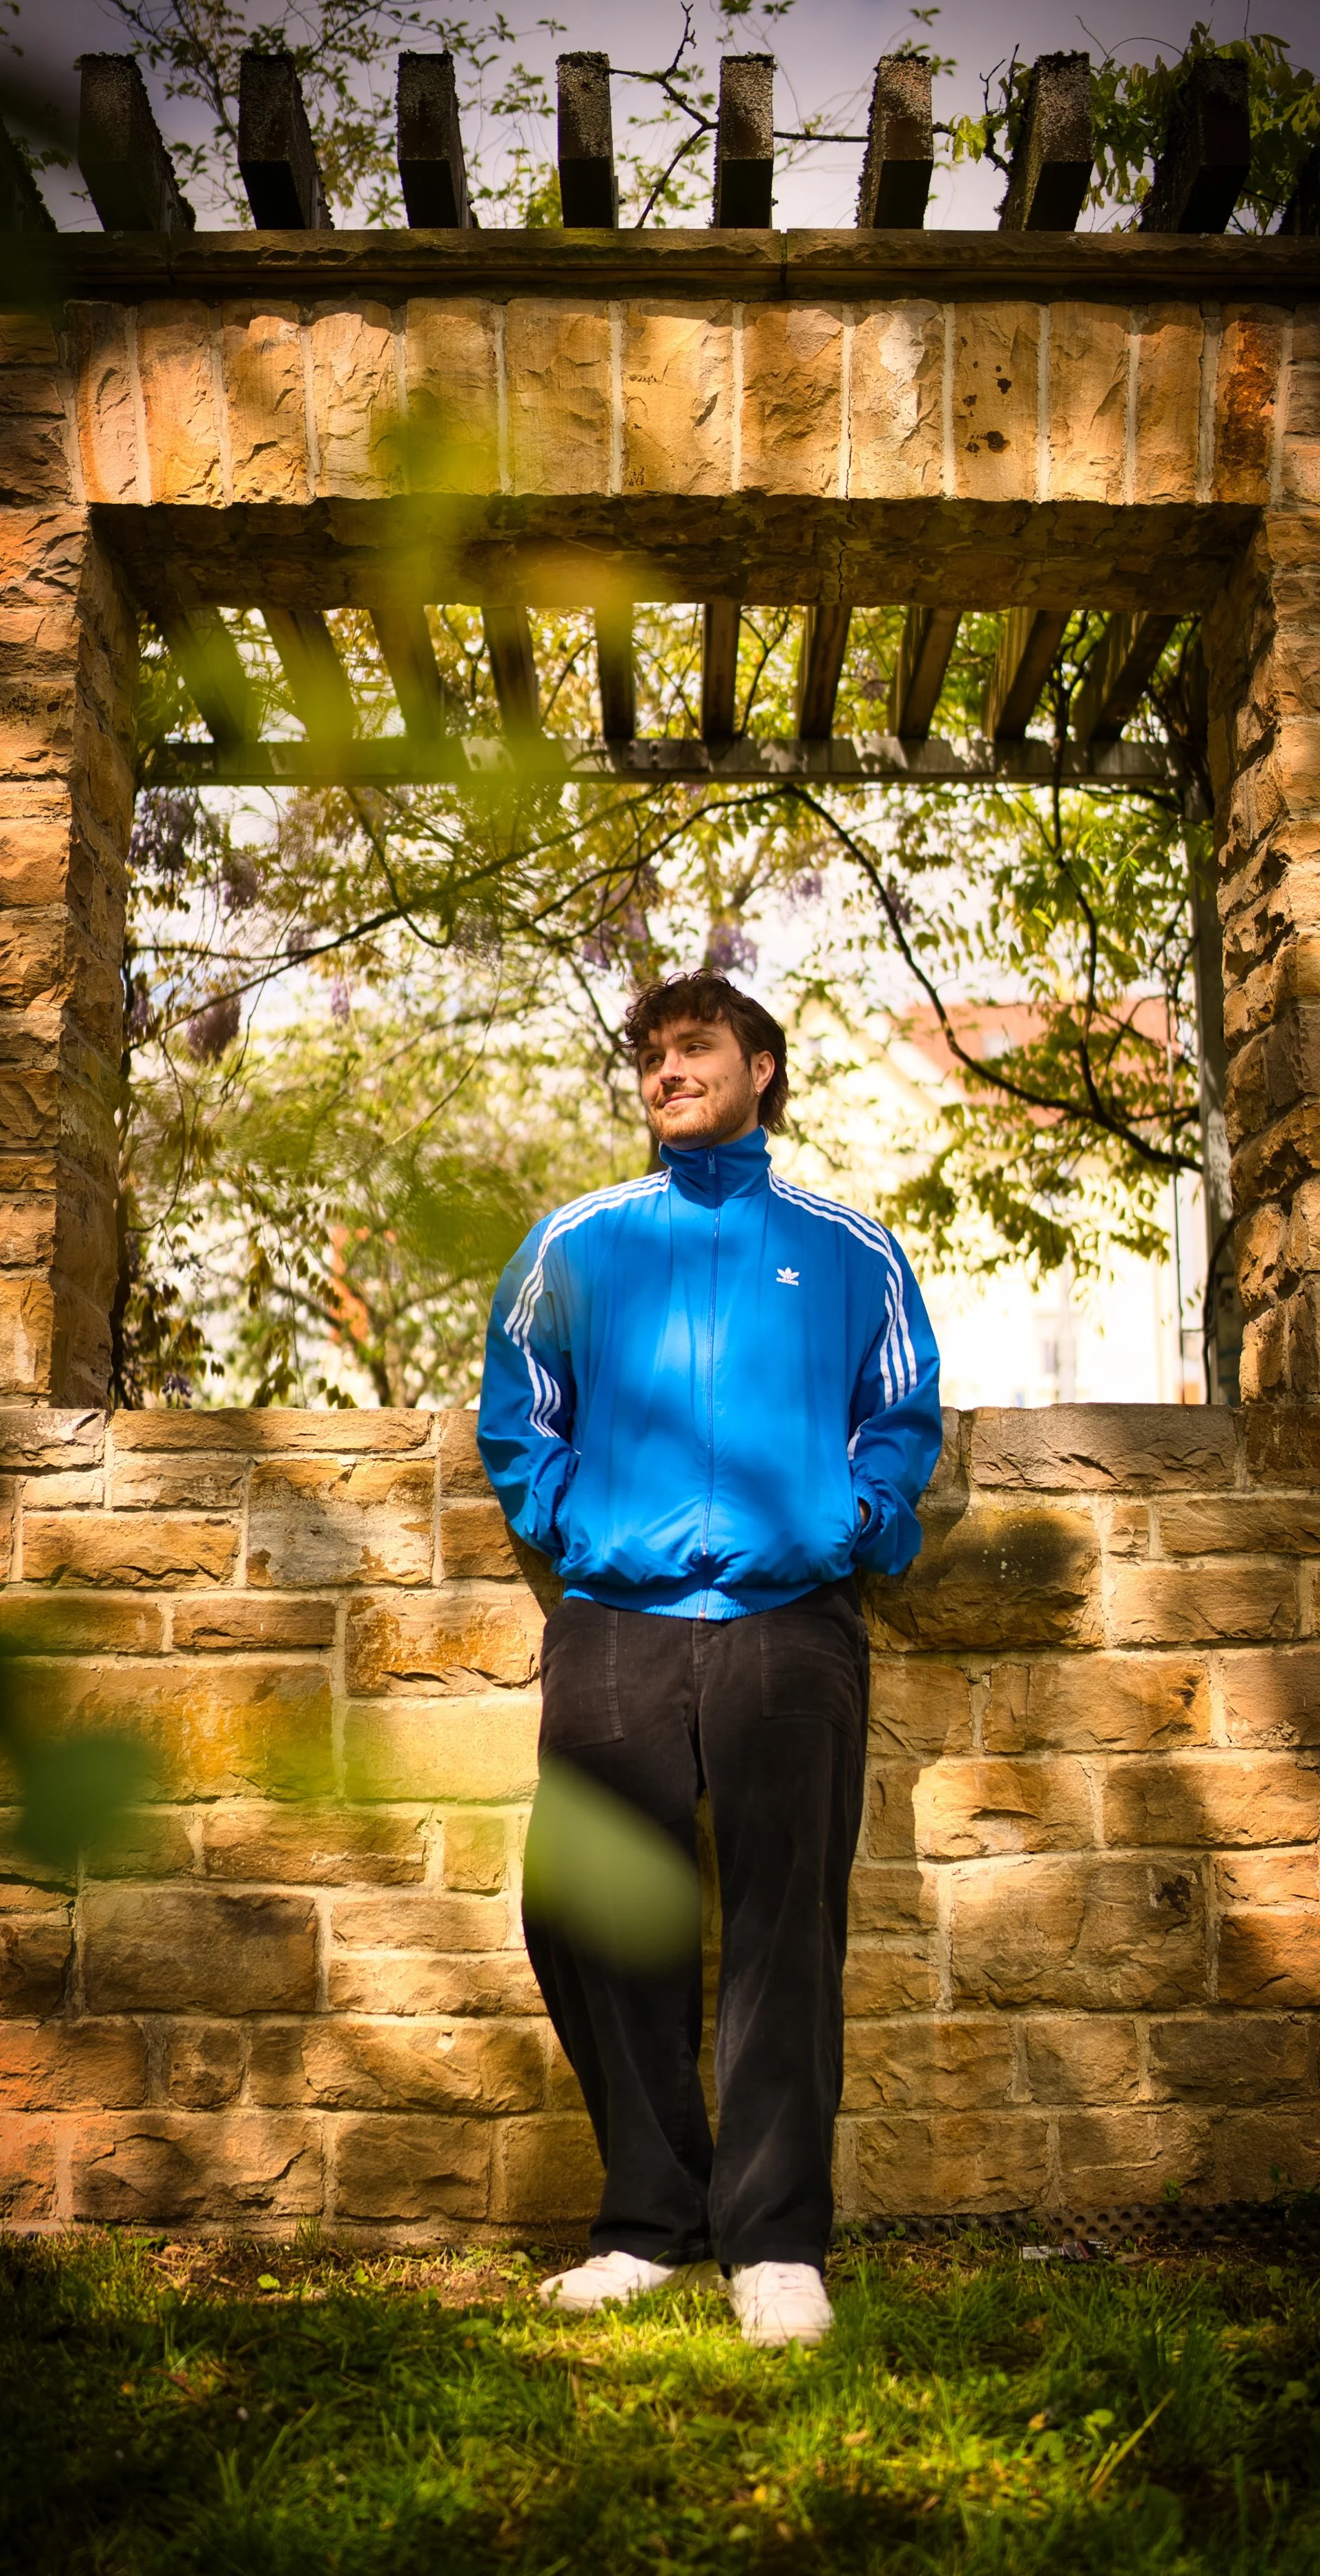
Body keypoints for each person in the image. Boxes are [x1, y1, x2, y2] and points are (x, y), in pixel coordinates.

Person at [477, 970, 941, 2347]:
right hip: (615, 1620)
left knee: (784, 1937)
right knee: (593, 1916)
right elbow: (520, 1412)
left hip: (792, 1625)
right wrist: (570, 1528)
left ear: (761, 1068)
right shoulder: (577, 1241)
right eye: (650, 1057)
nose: (666, 1073)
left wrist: (848, 1524)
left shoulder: (848, 1248)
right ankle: (646, 2225)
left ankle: (775, 2246)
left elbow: (900, 1412)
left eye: (694, 1049)